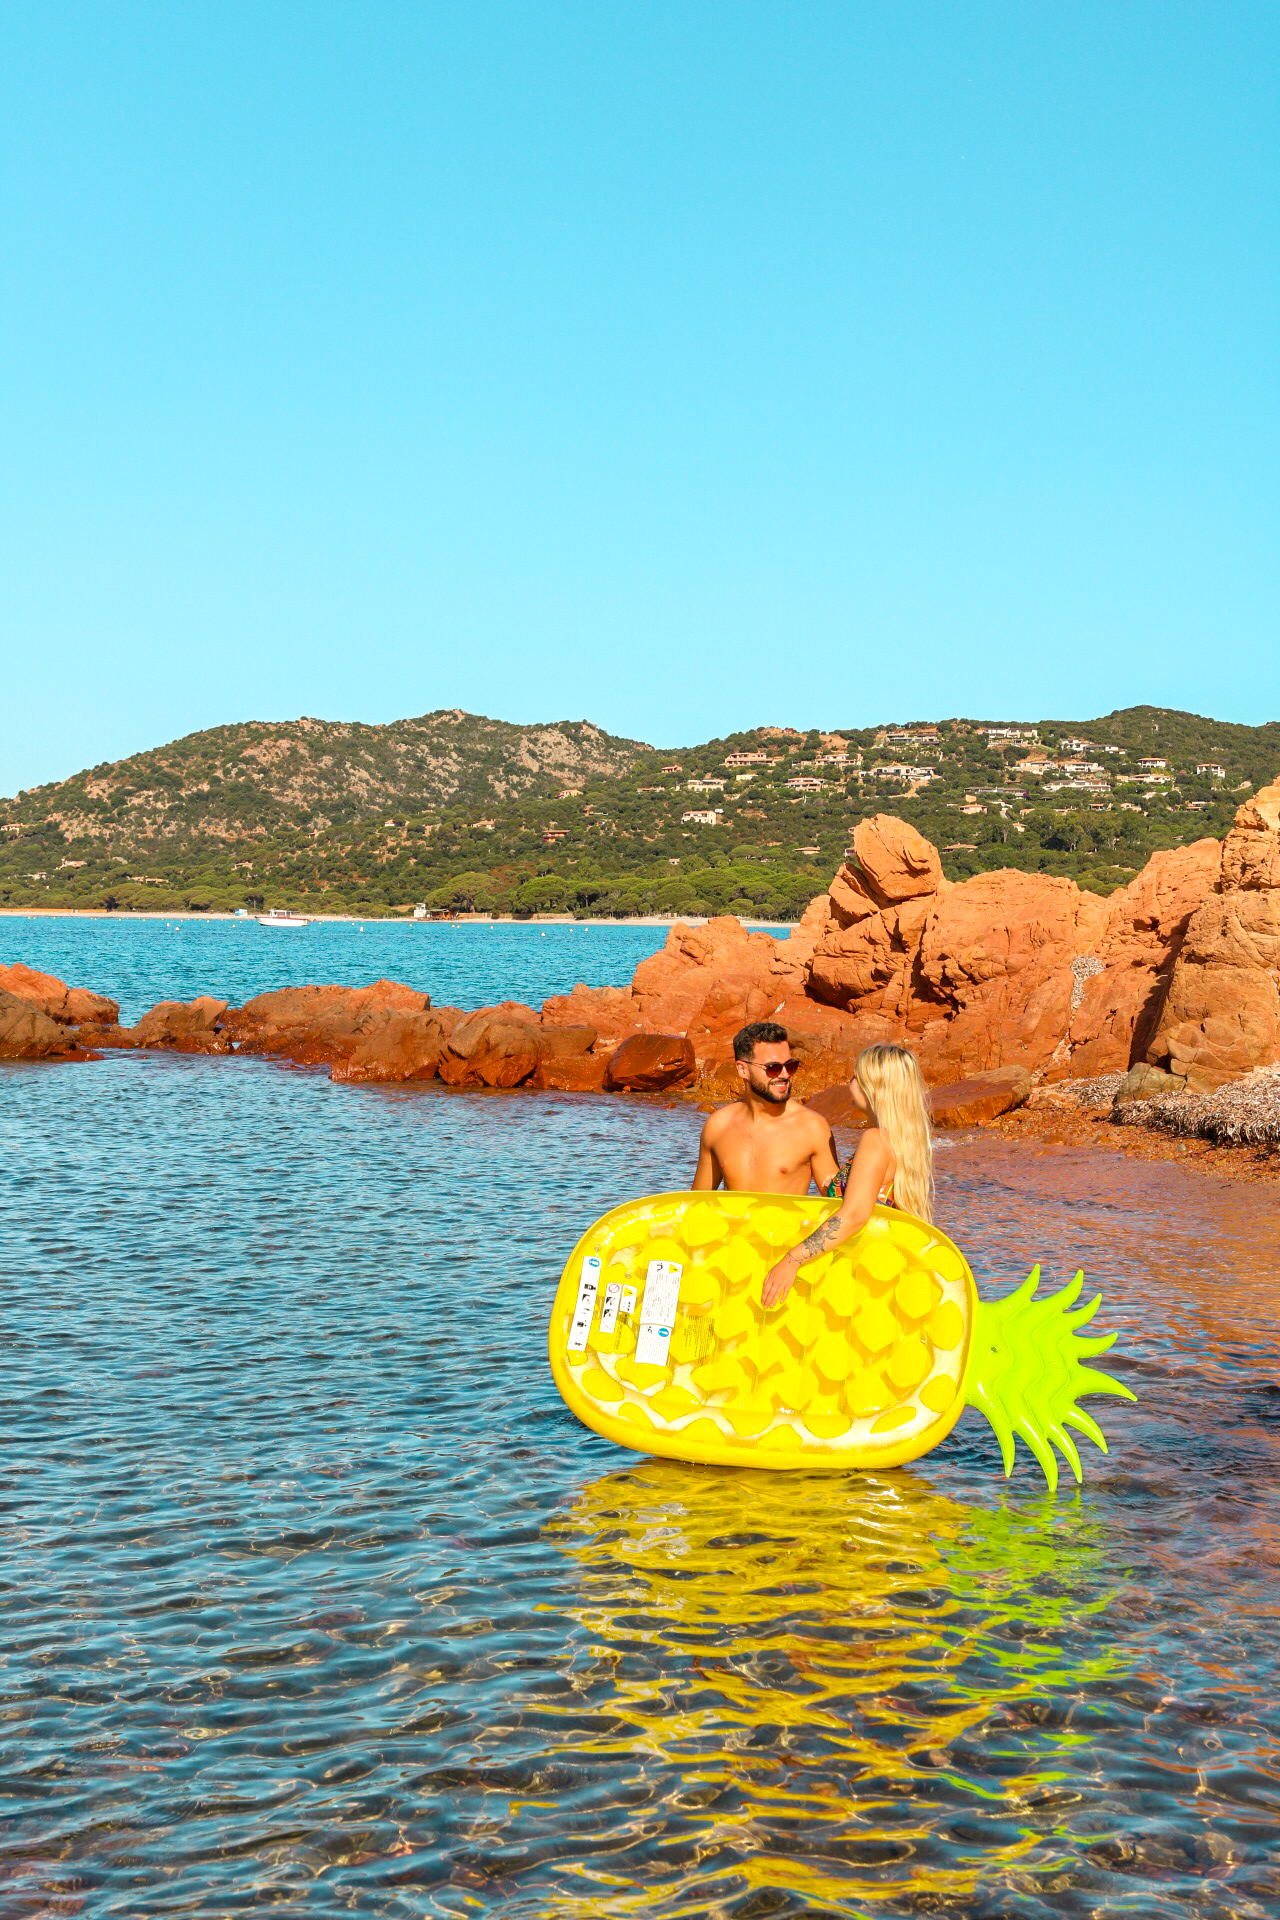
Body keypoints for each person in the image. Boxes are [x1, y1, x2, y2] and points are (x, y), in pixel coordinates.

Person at [761, 1042, 934, 1307]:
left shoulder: (875, 1140)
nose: (849, 1083)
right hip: (882, 1272)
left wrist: (792, 1260)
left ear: (872, 1086)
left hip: (860, 1277)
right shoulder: (903, 1142)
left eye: (855, 1076)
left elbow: (854, 1215)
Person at [692, 1021, 841, 1197]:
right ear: (742, 1070)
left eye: (790, 1066)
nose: (785, 1074)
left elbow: (837, 1203)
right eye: (773, 1068)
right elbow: (697, 1202)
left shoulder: (812, 1128)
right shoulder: (718, 1126)